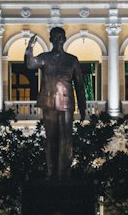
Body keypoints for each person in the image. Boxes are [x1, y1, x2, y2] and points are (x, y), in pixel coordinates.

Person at [24, 26, 87, 180]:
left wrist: (83, 108)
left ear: (64, 39)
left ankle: (64, 174)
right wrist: (29, 49)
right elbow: (31, 64)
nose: (58, 39)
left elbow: (79, 86)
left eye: (61, 37)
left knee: (66, 138)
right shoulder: (45, 57)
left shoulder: (72, 60)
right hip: (49, 101)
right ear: (51, 40)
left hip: (66, 103)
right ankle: (51, 173)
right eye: (55, 37)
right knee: (51, 138)